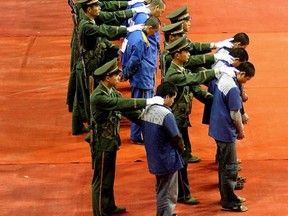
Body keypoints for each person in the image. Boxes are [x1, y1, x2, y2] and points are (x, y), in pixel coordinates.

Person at [164, 36, 238, 205]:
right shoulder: (173, 74)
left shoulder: (180, 69)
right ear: (177, 55)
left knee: (184, 155)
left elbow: (195, 89)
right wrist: (216, 71)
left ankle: (182, 191)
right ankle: (183, 194)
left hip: (181, 119)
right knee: (180, 158)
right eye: (185, 52)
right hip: (175, 121)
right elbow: (194, 79)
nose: (189, 55)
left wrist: (215, 99)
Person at [90, 58, 164, 216]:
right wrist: (147, 101)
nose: (119, 77)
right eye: (115, 75)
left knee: (109, 178)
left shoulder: (112, 92)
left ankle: (109, 205)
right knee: (101, 180)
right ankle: (99, 212)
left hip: (110, 141)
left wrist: (147, 122)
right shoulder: (99, 96)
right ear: (107, 78)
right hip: (102, 143)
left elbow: (128, 112)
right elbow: (121, 105)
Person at [70, 0, 146, 135]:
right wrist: (127, 30)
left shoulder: (90, 21)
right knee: (86, 95)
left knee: (81, 94)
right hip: (87, 64)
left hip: (90, 60)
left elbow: (100, 38)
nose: (99, 8)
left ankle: (78, 125)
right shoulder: (86, 25)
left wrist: (114, 48)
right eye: (96, 6)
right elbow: (103, 30)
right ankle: (89, 127)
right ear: (88, 9)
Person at [208, 61, 255, 212]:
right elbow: (234, 114)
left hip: (217, 128)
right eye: (247, 79)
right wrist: (240, 130)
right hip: (225, 132)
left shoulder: (226, 78)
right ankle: (230, 202)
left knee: (223, 166)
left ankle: (225, 196)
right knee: (230, 168)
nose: (246, 82)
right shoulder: (233, 88)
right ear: (241, 74)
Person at [123, 0, 166, 144]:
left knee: (140, 103)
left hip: (142, 74)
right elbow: (135, 60)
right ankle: (139, 135)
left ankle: (139, 133)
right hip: (143, 76)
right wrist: (127, 73)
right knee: (142, 105)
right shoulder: (141, 40)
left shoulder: (137, 33)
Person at [141, 81, 185, 216]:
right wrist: (182, 149)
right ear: (166, 97)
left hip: (154, 157)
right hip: (167, 159)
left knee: (161, 189)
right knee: (168, 194)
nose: (173, 101)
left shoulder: (147, 109)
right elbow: (176, 136)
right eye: (173, 98)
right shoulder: (166, 114)